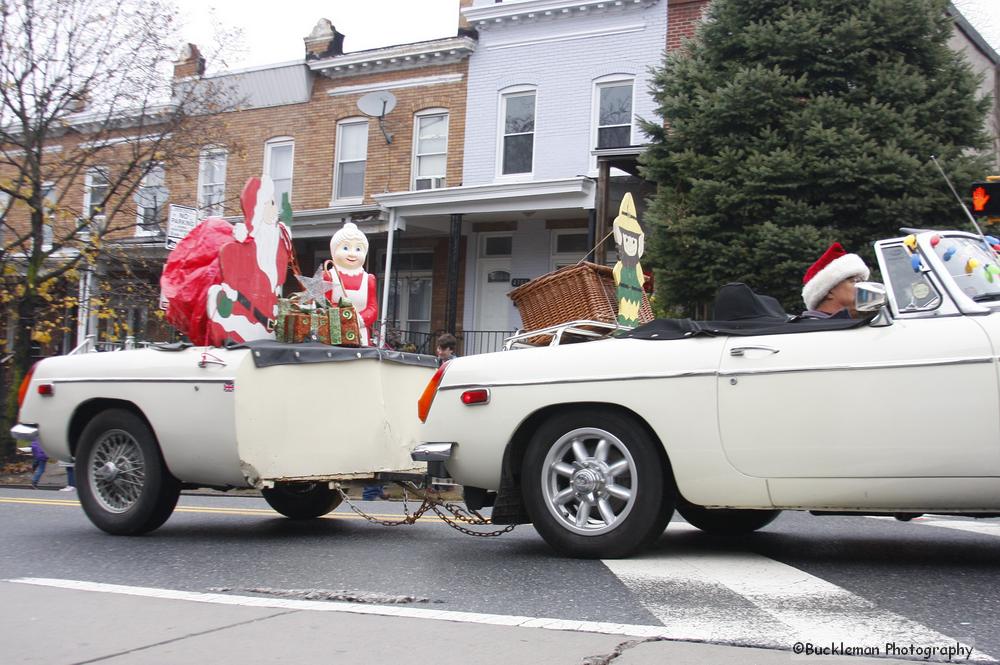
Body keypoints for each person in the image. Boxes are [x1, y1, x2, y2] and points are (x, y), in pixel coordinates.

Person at [801, 242, 870, 319]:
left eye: (862, 281)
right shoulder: (814, 327)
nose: (863, 287)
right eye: (855, 280)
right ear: (829, 291)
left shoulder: (848, 325)